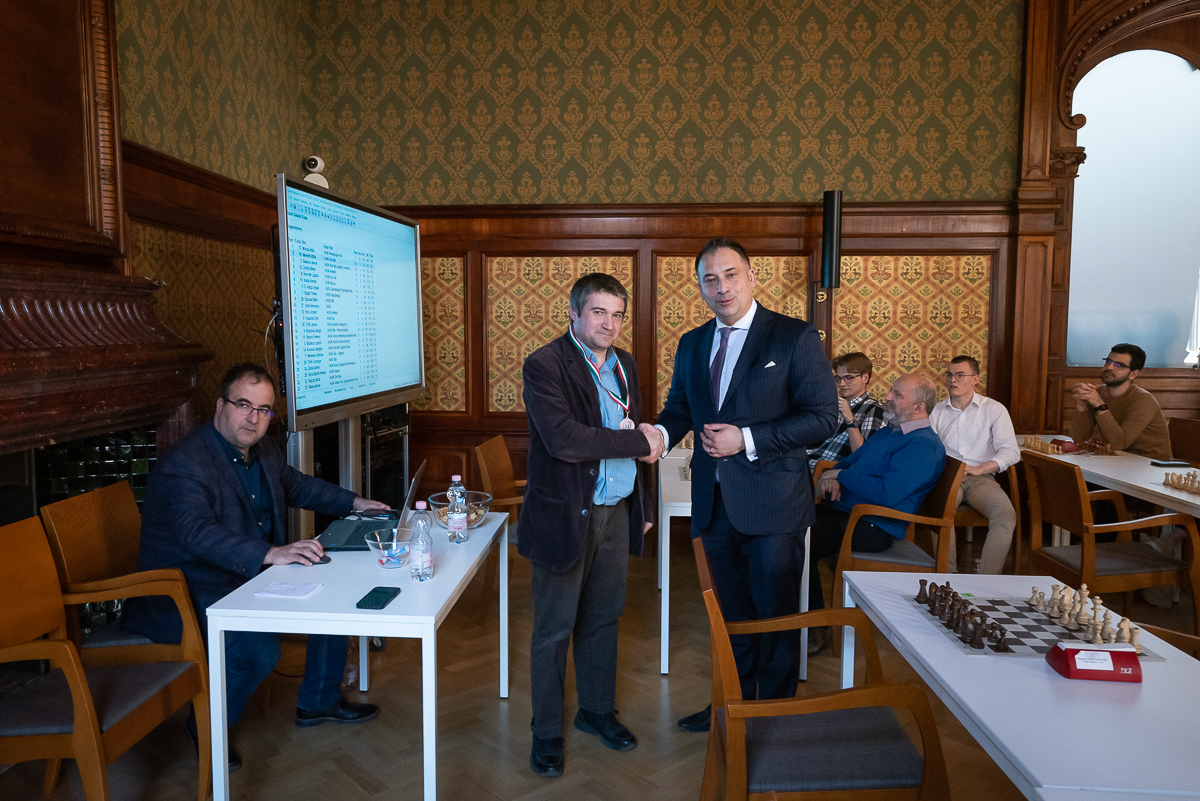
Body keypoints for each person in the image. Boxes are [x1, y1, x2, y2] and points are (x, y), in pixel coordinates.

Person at [123, 363, 389, 770]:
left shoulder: (263, 450)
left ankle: (319, 702)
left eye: (264, 410)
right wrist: (271, 554)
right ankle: (206, 727)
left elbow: (297, 485)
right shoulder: (186, 462)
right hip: (184, 591)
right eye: (243, 405)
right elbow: (197, 534)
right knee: (257, 649)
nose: (253, 418)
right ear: (220, 406)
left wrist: (355, 503)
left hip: (239, 575)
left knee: (332, 582)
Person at [651, 238, 838, 734]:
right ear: (700, 288)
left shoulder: (794, 336)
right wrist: (658, 435)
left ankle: (769, 723)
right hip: (713, 505)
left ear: (752, 277)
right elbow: (680, 409)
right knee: (729, 618)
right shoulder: (692, 343)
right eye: (710, 279)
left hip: (774, 505)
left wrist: (747, 438)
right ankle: (731, 709)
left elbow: (823, 418)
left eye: (731, 275)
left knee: (775, 619)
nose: (722, 287)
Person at [518, 272, 659, 778]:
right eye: (599, 312)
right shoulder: (545, 364)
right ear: (574, 313)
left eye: (617, 315)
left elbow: (636, 432)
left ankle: (595, 711)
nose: (609, 324)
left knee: (603, 618)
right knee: (554, 630)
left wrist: (643, 507)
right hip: (565, 515)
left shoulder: (626, 365)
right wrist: (641, 443)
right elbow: (565, 439)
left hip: (617, 511)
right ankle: (545, 732)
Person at [807, 374, 946, 652]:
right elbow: (848, 462)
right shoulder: (889, 432)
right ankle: (792, 615)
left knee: (799, 543)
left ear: (919, 407)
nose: (888, 397)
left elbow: (886, 494)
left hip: (873, 526)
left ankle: (816, 629)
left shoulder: (922, 445)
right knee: (787, 529)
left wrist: (841, 477)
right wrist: (838, 473)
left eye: (897, 394)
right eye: (891, 391)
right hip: (847, 513)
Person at [929, 355, 1020, 574]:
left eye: (960, 375)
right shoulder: (937, 411)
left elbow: (1011, 451)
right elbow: (927, 450)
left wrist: (981, 468)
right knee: (940, 510)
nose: (953, 380)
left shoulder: (993, 409)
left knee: (1005, 515)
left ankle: (986, 579)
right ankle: (947, 576)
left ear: (975, 379)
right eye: (949, 375)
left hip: (981, 477)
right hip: (947, 476)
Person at [1069, 343, 1171, 460]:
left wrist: (1100, 406)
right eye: (1108, 361)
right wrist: (1081, 407)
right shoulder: (1099, 393)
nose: (1109, 367)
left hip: (1149, 463)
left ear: (1133, 374)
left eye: (1118, 365)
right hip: (1117, 460)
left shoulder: (1144, 400)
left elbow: (1120, 443)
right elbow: (1079, 438)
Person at [807, 351, 887, 472]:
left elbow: (863, 456)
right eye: (838, 378)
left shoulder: (875, 409)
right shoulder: (832, 404)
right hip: (807, 461)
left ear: (865, 378)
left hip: (829, 469)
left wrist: (850, 419)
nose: (842, 384)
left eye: (849, 378)